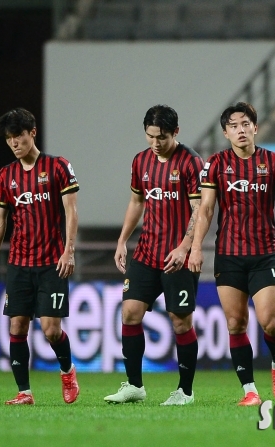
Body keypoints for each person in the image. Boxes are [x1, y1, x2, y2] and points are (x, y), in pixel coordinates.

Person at [188, 102, 275, 406]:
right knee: (235, 324)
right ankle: (250, 391)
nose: (240, 130)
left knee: (270, 323)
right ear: (225, 132)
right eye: (233, 126)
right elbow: (205, 209)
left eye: (245, 124)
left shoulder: (274, 161)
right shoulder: (216, 164)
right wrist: (195, 247)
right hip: (228, 254)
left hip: (264, 253)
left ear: (255, 127)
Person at [103, 105, 204, 406]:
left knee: (180, 322)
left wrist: (185, 247)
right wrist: (122, 240)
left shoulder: (191, 163)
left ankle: (185, 391)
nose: (155, 143)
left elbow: (200, 210)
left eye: (161, 137)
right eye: (150, 137)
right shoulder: (141, 161)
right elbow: (137, 202)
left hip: (179, 256)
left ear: (176, 132)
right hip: (147, 252)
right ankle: (135, 386)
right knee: (129, 313)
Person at [0, 108, 80, 405]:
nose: (14, 143)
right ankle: (24, 392)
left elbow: (71, 211)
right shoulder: (5, 175)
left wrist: (69, 250)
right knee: (17, 326)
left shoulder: (58, 167)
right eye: (10, 139)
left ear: (33, 133)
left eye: (19, 136)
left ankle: (67, 372)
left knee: (51, 330)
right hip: (19, 264)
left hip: (52, 263)